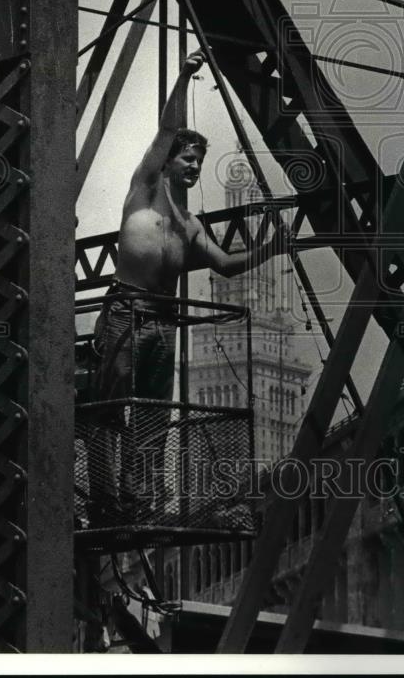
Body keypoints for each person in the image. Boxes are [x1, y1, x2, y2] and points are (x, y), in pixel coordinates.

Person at [87, 49, 287, 524]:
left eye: (199, 161)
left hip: (162, 321)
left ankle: (137, 502)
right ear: (170, 162)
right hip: (125, 313)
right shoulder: (145, 189)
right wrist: (185, 75)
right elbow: (166, 128)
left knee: (153, 416)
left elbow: (227, 266)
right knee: (109, 409)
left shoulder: (192, 227)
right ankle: (104, 502)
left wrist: (271, 249)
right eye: (188, 158)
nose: (195, 167)